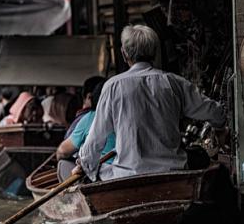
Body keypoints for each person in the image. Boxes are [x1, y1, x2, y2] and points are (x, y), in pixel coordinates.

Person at [72, 25, 226, 182]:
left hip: (127, 176)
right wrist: (220, 129)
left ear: (124, 54)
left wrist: (84, 164)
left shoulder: (113, 86)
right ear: (154, 52)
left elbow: (95, 139)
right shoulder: (173, 82)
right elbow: (216, 113)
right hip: (173, 171)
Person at [56, 79, 116, 181]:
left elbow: (62, 152)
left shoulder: (90, 117)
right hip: (124, 170)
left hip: (100, 174)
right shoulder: (126, 117)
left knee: (63, 164)